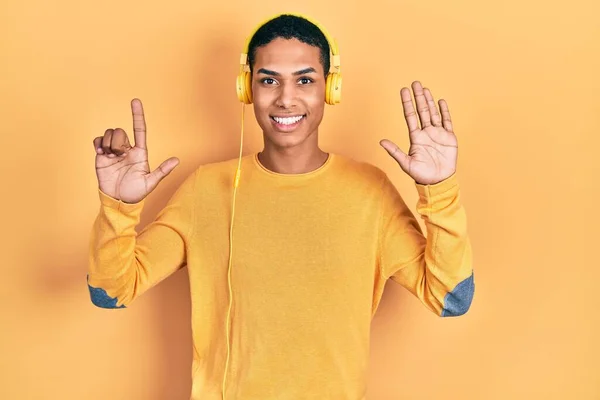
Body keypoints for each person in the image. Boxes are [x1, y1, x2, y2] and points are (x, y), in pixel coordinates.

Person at [88, 13, 474, 400]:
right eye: (269, 80)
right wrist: (119, 205)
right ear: (247, 88)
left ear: (330, 88)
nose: (286, 98)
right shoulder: (206, 188)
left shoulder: (369, 192)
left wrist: (438, 188)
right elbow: (111, 290)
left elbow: (450, 297)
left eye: (305, 80)